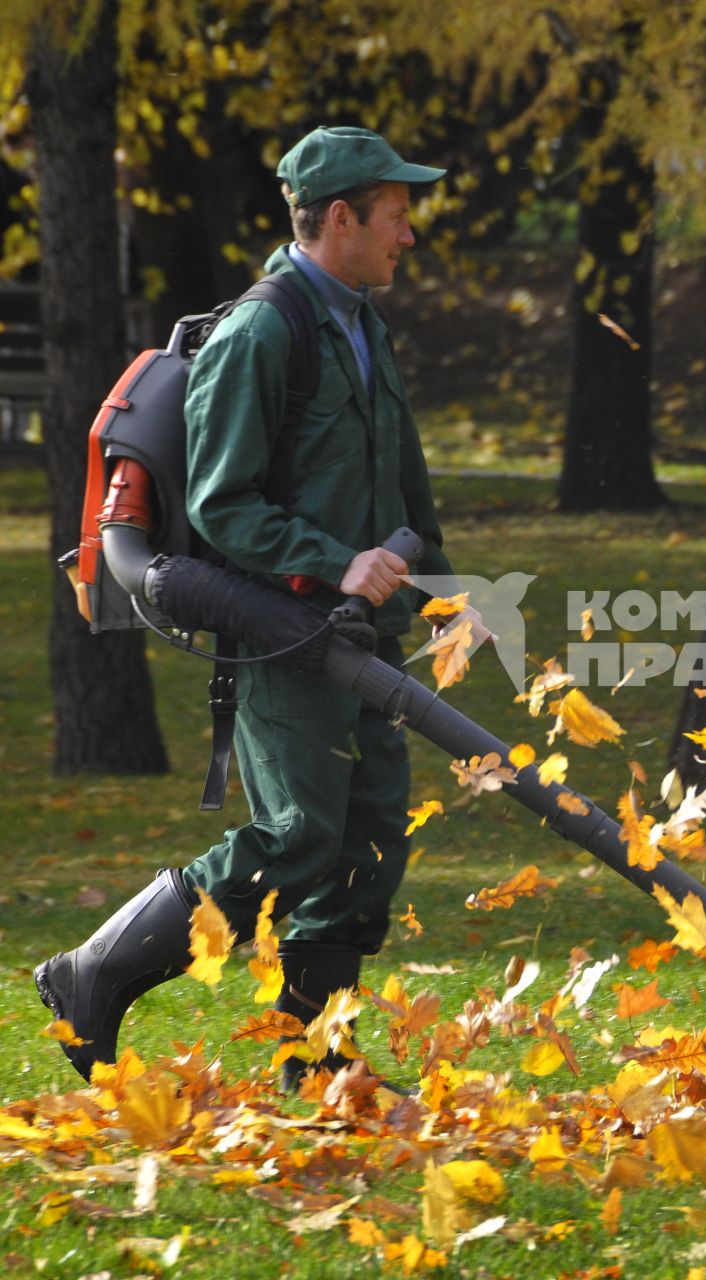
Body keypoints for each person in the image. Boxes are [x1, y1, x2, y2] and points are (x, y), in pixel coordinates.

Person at [36, 126, 456, 1089]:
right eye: (397, 214)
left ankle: (317, 1059)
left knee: (367, 841)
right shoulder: (265, 330)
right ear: (341, 216)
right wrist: (333, 565)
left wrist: (441, 592)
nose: (410, 234)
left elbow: (404, 486)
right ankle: (91, 971)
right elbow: (224, 508)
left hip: (367, 636)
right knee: (297, 836)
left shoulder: (360, 320)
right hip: (285, 633)